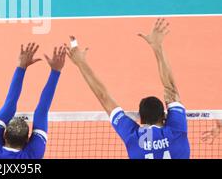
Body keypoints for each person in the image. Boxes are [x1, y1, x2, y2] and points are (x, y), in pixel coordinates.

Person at [65, 18, 190, 159]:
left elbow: (104, 97)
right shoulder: (176, 130)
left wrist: (81, 63)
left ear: (141, 120)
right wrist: (157, 47)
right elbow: (171, 89)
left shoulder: (133, 137)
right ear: (164, 116)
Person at [0, 43, 66, 159]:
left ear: (4, 136)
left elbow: (11, 104)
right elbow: (41, 111)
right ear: (27, 140)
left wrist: (21, 67)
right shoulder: (32, 155)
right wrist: (55, 72)